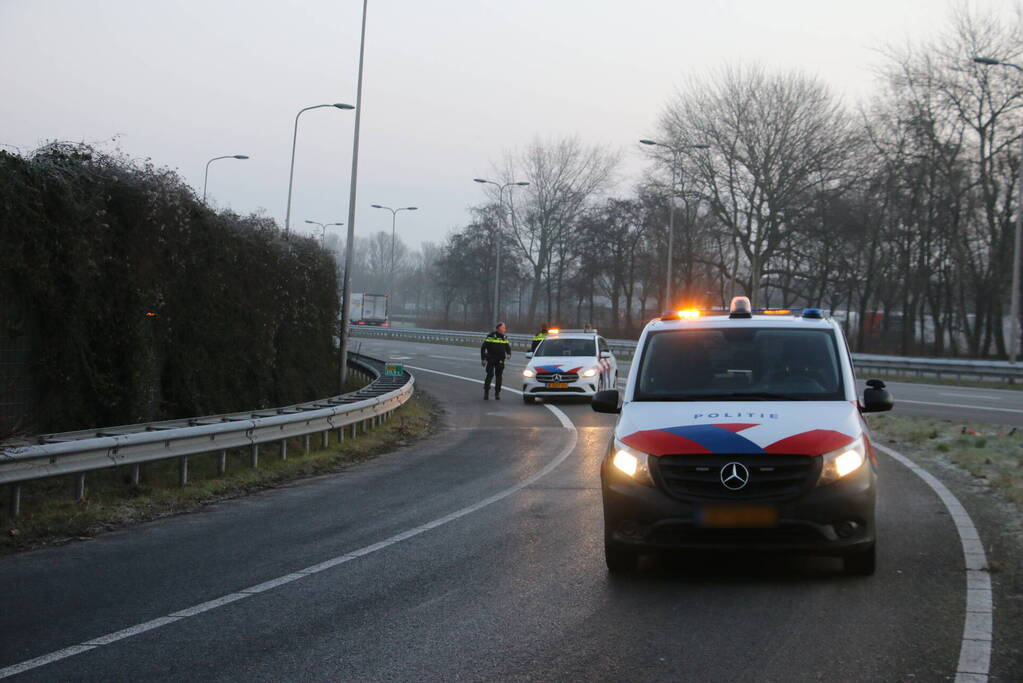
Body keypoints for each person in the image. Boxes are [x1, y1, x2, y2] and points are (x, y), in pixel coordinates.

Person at [481, 322, 512, 400]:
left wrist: (509, 354)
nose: (505, 329)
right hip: (491, 359)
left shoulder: (504, 337)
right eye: (503, 327)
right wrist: (483, 359)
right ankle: (486, 393)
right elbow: (483, 348)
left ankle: (497, 393)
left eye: (505, 328)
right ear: (498, 328)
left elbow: (507, 347)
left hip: (500, 360)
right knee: (490, 374)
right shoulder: (491, 336)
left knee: (499, 376)